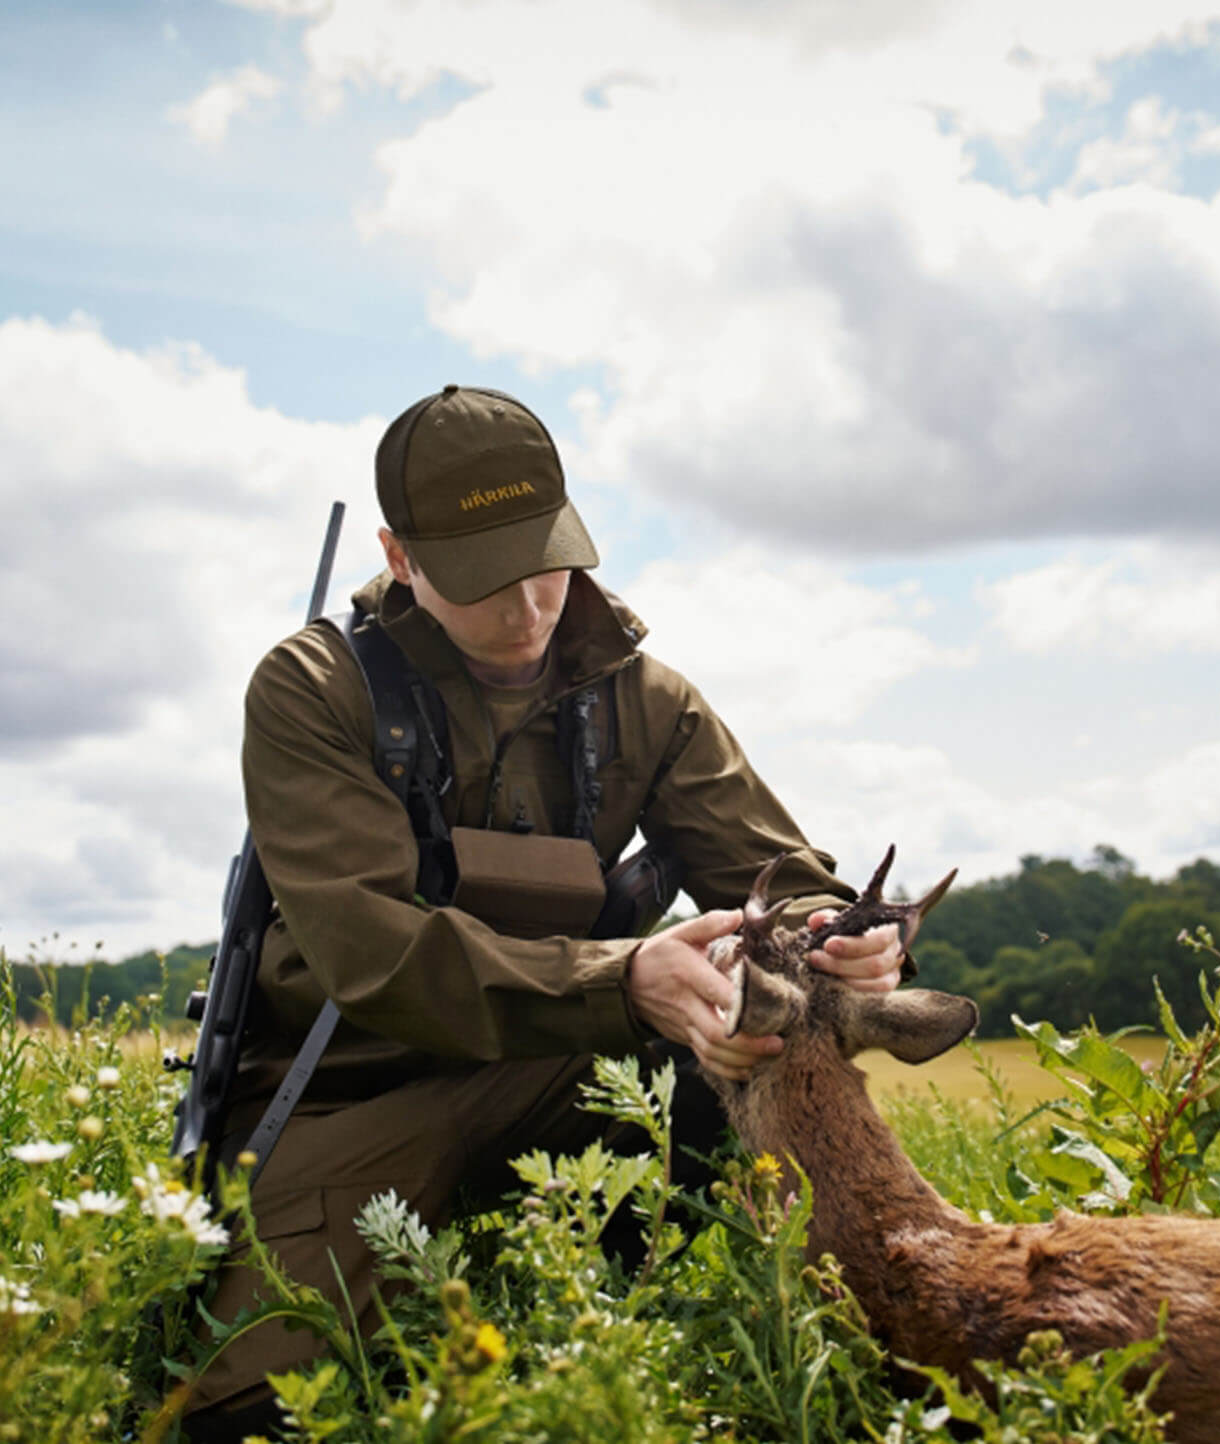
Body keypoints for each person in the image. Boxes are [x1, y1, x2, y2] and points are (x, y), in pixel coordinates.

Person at [181, 385, 907, 1440]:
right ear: (400, 557)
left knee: (750, 1049)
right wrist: (623, 980)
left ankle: (605, 1309)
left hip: (561, 1071)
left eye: (549, 567)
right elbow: (369, 954)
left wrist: (839, 937)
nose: (528, 612)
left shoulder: (648, 699)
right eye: (485, 581)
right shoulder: (313, 690)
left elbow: (777, 873)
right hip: (350, 1090)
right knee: (256, 1415)